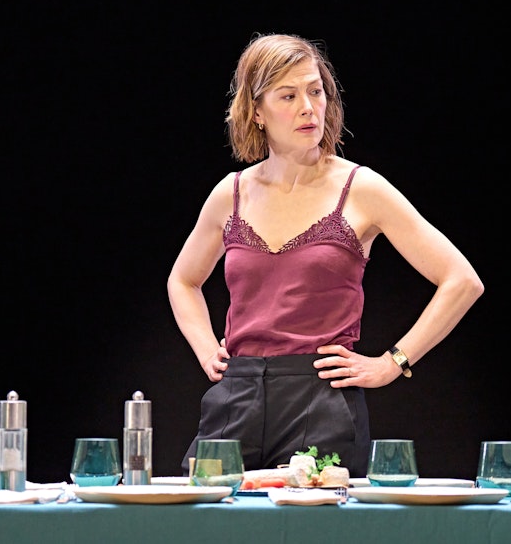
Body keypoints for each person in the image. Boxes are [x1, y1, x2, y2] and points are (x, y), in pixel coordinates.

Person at [167, 33, 484, 477]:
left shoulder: (361, 189)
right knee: (206, 524)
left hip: (320, 399)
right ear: (256, 111)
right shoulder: (231, 194)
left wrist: (392, 363)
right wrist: (205, 348)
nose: (307, 107)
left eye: (315, 91)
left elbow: (461, 280)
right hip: (235, 397)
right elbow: (182, 280)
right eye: (288, 95)